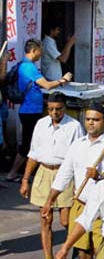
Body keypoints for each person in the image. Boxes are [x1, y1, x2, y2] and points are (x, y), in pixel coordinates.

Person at [46, 103, 104, 259]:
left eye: (96, 119)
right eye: (89, 119)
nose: (91, 123)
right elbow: (65, 174)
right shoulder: (77, 145)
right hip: (82, 205)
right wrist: (50, 200)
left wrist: (100, 175)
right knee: (83, 253)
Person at [19, 92, 83, 259]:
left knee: (65, 220)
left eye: (58, 109)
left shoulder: (74, 126)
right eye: (51, 109)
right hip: (44, 172)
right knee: (45, 219)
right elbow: (33, 153)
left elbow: (78, 157)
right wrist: (25, 180)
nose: (55, 112)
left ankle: (76, 245)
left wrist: (78, 185)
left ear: (64, 108)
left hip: (65, 174)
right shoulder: (41, 125)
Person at [6, 39, 73, 182]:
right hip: (30, 110)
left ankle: (24, 173)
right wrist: (63, 80)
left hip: (31, 108)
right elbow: (47, 85)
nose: (41, 53)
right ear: (33, 50)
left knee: (32, 142)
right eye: (40, 50)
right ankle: (13, 173)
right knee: (28, 144)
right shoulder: (28, 67)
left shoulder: (25, 66)